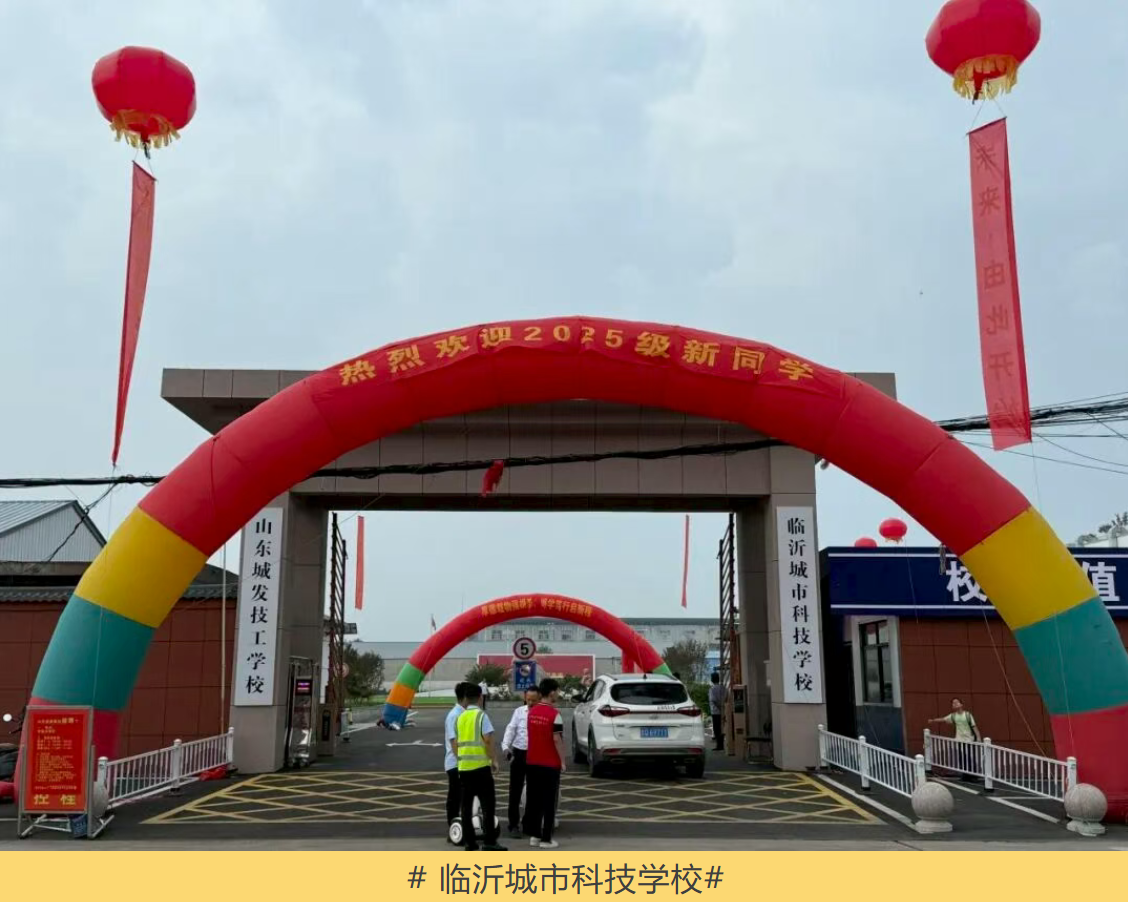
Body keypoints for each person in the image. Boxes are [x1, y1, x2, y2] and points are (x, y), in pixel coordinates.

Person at [454, 683, 506, 851]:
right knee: (487, 806)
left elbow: (456, 742)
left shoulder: (460, 718)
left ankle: (470, 843)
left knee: (466, 807)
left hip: (464, 768)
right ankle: (490, 841)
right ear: (480, 698)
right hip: (481, 768)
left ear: (466, 699)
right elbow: (488, 740)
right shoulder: (481, 716)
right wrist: (494, 760)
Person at [523, 677, 566, 849]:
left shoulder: (531, 712)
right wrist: (562, 760)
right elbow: (557, 739)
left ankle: (534, 836)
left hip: (532, 761)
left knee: (534, 801)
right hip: (549, 764)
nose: (558, 694)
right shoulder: (555, 715)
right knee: (549, 802)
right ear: (552, 692)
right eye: (557, 691)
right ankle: (546, 839)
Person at [502, 686, 540, 837]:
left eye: (534, 700)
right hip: (519, 753)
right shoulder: (519, 712)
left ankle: (528, 823)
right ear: (525, 697)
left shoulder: (542, 713)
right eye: (528, 699)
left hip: (536, 754)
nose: (530, 703)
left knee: (533, 791)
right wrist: (506, 747)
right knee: (515, 791)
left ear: (539, 699)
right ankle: (513, 825)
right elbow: (511, 729)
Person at [929, 697, 982, 780]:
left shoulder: (967, 715)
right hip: (959, 740)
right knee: (962, 758)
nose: (955, 704)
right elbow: (943, 719)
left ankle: (973, 776)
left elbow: (974, 726)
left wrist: (978, 737)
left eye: (957, 702)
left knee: (970, 758)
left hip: (969, 740)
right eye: (953, 703)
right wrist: (933, 720)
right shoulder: (953, 716)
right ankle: (965, 775)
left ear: (961, 704)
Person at [444, 682, 468, 839]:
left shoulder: (463, 713)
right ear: (465, 697)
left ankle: (461, 827)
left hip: (462, 763)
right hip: (456, 764)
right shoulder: (455, 715)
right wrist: (462, 763)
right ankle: (453, 829)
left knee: (462, 797)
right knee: (455, 797)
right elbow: (454, 743)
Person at [708, 672, 726, 751]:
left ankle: (719, 745)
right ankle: (721, 744)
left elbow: (713, 700)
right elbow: (726, 697)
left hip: (715, 711)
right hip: (724, 711)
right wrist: (722, 708)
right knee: (722, 728)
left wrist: (719, 708)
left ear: (712, 679)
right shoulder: (723, 688)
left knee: (716, 729)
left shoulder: (712, 689)